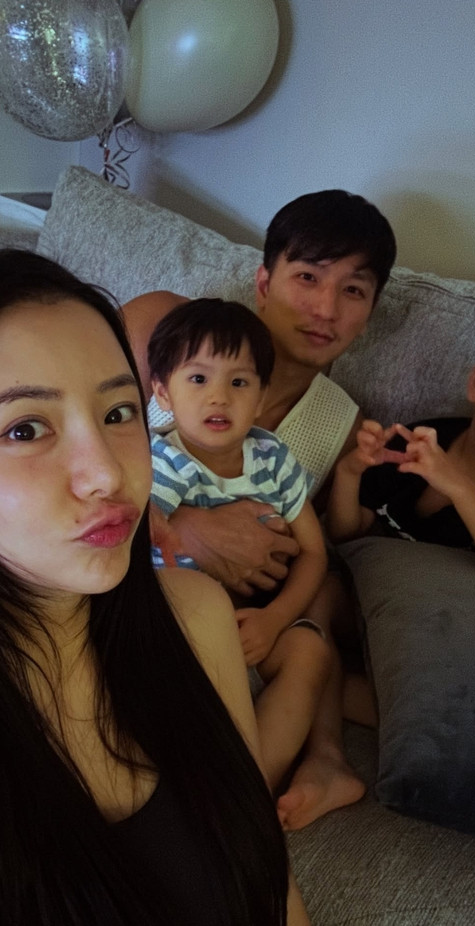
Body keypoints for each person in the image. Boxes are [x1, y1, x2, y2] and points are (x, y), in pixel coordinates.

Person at [0, 250, 309, 926]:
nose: (108, 473)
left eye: (118, 412)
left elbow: (273, 890)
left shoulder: (196, 616)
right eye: (26, 428)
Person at [122, 189, 397, 829]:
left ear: (370, 310)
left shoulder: (338, 421)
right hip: (135, 576)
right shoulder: (160, 327)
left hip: (240, 617)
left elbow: (315, 550)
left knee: (323, 595)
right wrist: (183, 525)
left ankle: (314, 763)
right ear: (264, 282)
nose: (326, 309)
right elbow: (58, 432)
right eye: (308, 277)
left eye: (353, 291)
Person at [147, 297, 331, 792]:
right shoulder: (162, 460)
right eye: (198, 378)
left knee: (309, 651)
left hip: (250, 626)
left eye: (240, 382)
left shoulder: (272, 457)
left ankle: (251, 791)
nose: (219, 397)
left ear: (262, 394)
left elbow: (314, 552)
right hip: (175, 626)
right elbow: (132, 524)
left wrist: (276, 620)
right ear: (162, 393)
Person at [328, 309, 475, 585]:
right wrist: (349, 471)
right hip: (379, 579)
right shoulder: (419, 442)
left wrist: (458, 486)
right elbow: (346, 535)